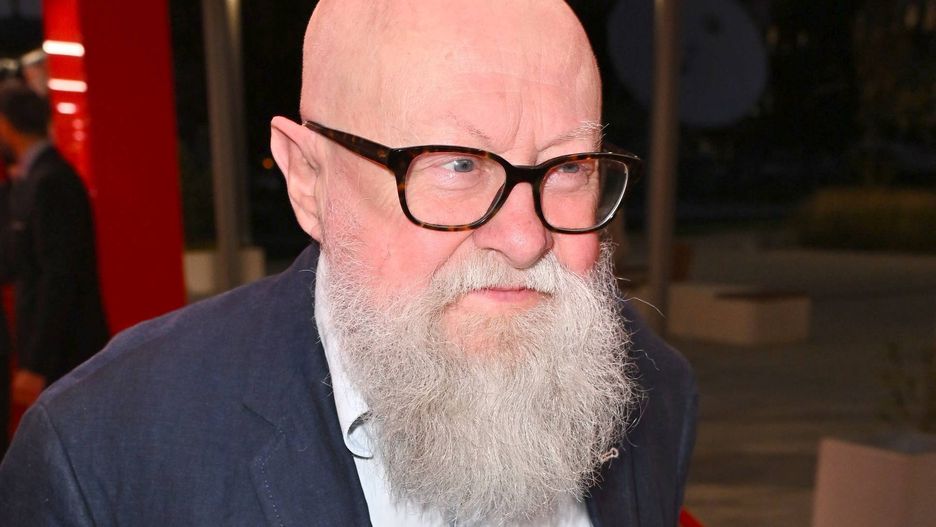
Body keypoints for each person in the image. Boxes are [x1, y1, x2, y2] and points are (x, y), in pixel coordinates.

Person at [0, 1, 697, 525]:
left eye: (570, 166)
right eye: (456, 164)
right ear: (309, 180)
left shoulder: (655, 393)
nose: (524, 239)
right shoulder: (103, 451)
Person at [0, 80, 108, 409]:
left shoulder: (50, 181)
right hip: (59, 353)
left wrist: (36, 364)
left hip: (67, 355)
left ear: (5, 123)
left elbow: (58, 277)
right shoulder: (31, 180)